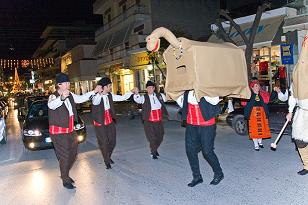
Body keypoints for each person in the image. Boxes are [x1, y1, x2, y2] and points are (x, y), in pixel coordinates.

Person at [48, 72, 100, 189]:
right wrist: (61, 98)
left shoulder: (70, 94)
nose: (68, 84)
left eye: (68, 82)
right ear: (59, 85)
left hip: (70, 130)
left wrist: (94, 91)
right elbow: (52, 105)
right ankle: (65, 179)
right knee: (65, 155)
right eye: (65, 83)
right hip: (59, 132)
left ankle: (64, 173)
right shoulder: (53, 96)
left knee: (73, 153)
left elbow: (81, 98)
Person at [176, 90, 224, 187]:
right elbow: (182, 103)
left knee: (207, 151)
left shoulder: (206, 87)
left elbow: (215, 101)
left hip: (207, 124)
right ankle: (197, 177)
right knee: (190, 151)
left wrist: (201, 92)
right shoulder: (187, 92)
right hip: (191, 124)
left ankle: (219, 173)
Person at [91, 77, 137, 169]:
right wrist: (99, 92)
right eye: (109, 86)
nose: (111, 87)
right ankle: (107, 160)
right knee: (104, 142)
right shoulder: (95, 97)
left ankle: (108, 156)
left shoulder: (110, 95)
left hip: (109, 122)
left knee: (112, 142)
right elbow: (95, 102)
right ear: (104, 87)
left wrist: (131, 92)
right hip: (100, 124)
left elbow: (122, 97)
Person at [133, 80, 168, 159]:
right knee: (152, 138)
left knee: (160, 137)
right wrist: (136, 93)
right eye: (148, 88)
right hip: (148, 121)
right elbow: (137, 100)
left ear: (154, 88)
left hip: (159, 121)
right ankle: (153, 152)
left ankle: (154, 149)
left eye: (151, 88)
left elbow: (167, 98)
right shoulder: (144, 98)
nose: (149, 89)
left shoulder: (160, 96)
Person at [287, 84, 308, 175]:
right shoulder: (297, 80)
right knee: (300, 141)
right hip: (302, 114)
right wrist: (290, 111)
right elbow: (293, 97)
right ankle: (307, 166)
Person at [244, 80, 271, 151]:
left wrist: (266, 113)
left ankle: (260, 142)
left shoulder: (261, 95)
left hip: (261, 114)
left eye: (258, 85)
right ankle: (256, 145)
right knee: (254, 129)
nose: (258, 87)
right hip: (253, 115)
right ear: (252, 87)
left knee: (261, 128)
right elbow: (247, 106)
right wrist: (247, 115)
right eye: (256, 86)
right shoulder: (249, 96)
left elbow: (265, 104)